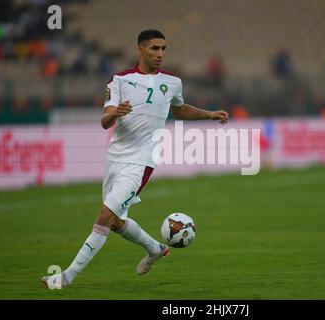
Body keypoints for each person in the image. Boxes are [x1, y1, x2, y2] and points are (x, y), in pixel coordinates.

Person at [41, 29, 229, 288]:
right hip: (115, 158)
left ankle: (66, 277)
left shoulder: (172, 82)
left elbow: (180, 110)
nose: (160, 54)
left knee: (105, 217)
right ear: (140, 49)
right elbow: (105, 121)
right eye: (154, 48)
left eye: (163, 49)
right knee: (116, 221)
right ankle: (155, 249)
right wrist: (115, 112)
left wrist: (209, 115)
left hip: (142, 162)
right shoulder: (120, 80)